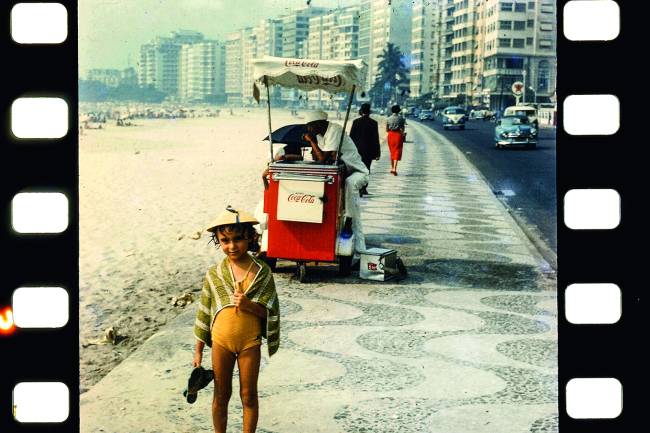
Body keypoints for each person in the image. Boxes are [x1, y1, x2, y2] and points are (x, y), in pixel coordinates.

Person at [193, 206, 280, 433]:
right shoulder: (215, 273)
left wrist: (250, 305)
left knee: (248, 394)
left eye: (238, 239)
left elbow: (271, 312)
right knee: (221, 394)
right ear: (218, 241)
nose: (232, 246)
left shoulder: (262, 272)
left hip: (249, 343)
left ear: (250, 237)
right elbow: (204, 311)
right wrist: (198, 350)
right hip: (220, 342)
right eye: (225, 240)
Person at [302, 110, 369, 254]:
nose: (309, 129)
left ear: (319, 123)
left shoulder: (335, 129)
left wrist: (312, 141)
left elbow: (323, 158)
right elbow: (320, 158)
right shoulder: (320, 135)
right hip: (342, 174)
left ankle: (350, 223)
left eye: (310, 126)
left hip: (357, 172)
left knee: (353, 204)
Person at [349, 103, 380, 196]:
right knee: (367, 169)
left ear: (361, 111)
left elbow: (351, 137)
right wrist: (377, 153)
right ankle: (363, 188)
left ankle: (357, 187)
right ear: (369, 112)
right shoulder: (373, 123)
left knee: (357, 169)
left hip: (357, 150)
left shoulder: (356, 122)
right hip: (368, 150)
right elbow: (375, 139)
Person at [386, 104, 407, 176]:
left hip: (390, 135)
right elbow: (402, 129)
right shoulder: (401, 119)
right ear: (398, 111)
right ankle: (394, 168)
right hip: (398, 135)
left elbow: (387, 129)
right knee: (397, 151)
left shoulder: (388, 119)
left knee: (392, 151)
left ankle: (392, 168)